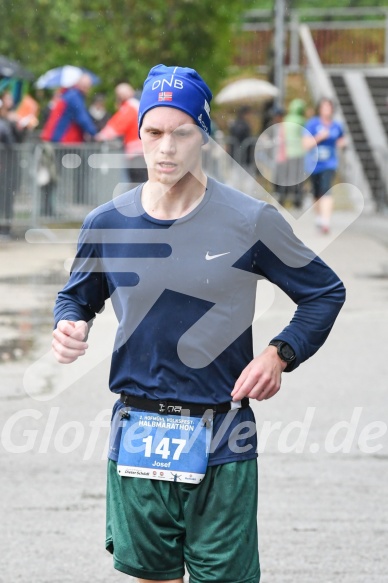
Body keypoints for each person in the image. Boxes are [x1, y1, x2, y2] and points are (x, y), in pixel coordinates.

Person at [52, 64, 346, 583]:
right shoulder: (108, 223)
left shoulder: (250, 219)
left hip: (222, 435)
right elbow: (76, 298)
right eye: (153, 132)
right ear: (138, 134)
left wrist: (281, 352)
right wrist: (70, 325)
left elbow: (323, 291)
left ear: (204, 135)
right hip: (138, 433)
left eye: (181, 132)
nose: (166, 148)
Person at [303, 97, 346, 233]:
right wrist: (320, 137)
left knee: (326, 189)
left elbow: (341, 140)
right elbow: (305, 144)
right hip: (314, 164)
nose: (327, 110)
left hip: (330, 164)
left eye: (329, 107)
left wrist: (342, 144)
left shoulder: (337, 125)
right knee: (316, 193)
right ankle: (320, 217)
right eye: (324, 107)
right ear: (319, 109)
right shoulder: (312, 124)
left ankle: (326, 222)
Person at [95, 82, 147, 185]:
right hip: (141, 151)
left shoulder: (129, 107)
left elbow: (116, 125)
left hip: (136, 153)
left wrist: (100, 136)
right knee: (140, 183)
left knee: (137, 185)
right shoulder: (137, 105)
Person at [41, 73, 97, 143]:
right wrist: (94, 134)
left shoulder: (70, 94)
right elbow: (83, 118)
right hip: (60, 139)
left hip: (54, 137)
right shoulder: (75, 97)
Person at [276, 99, 307, 209]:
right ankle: (297, 200)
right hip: (298, 152)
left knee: (286, 176)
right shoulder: (302, 121)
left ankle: (282, 198)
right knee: (297, 177)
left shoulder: (286, 120)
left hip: (287, 152)